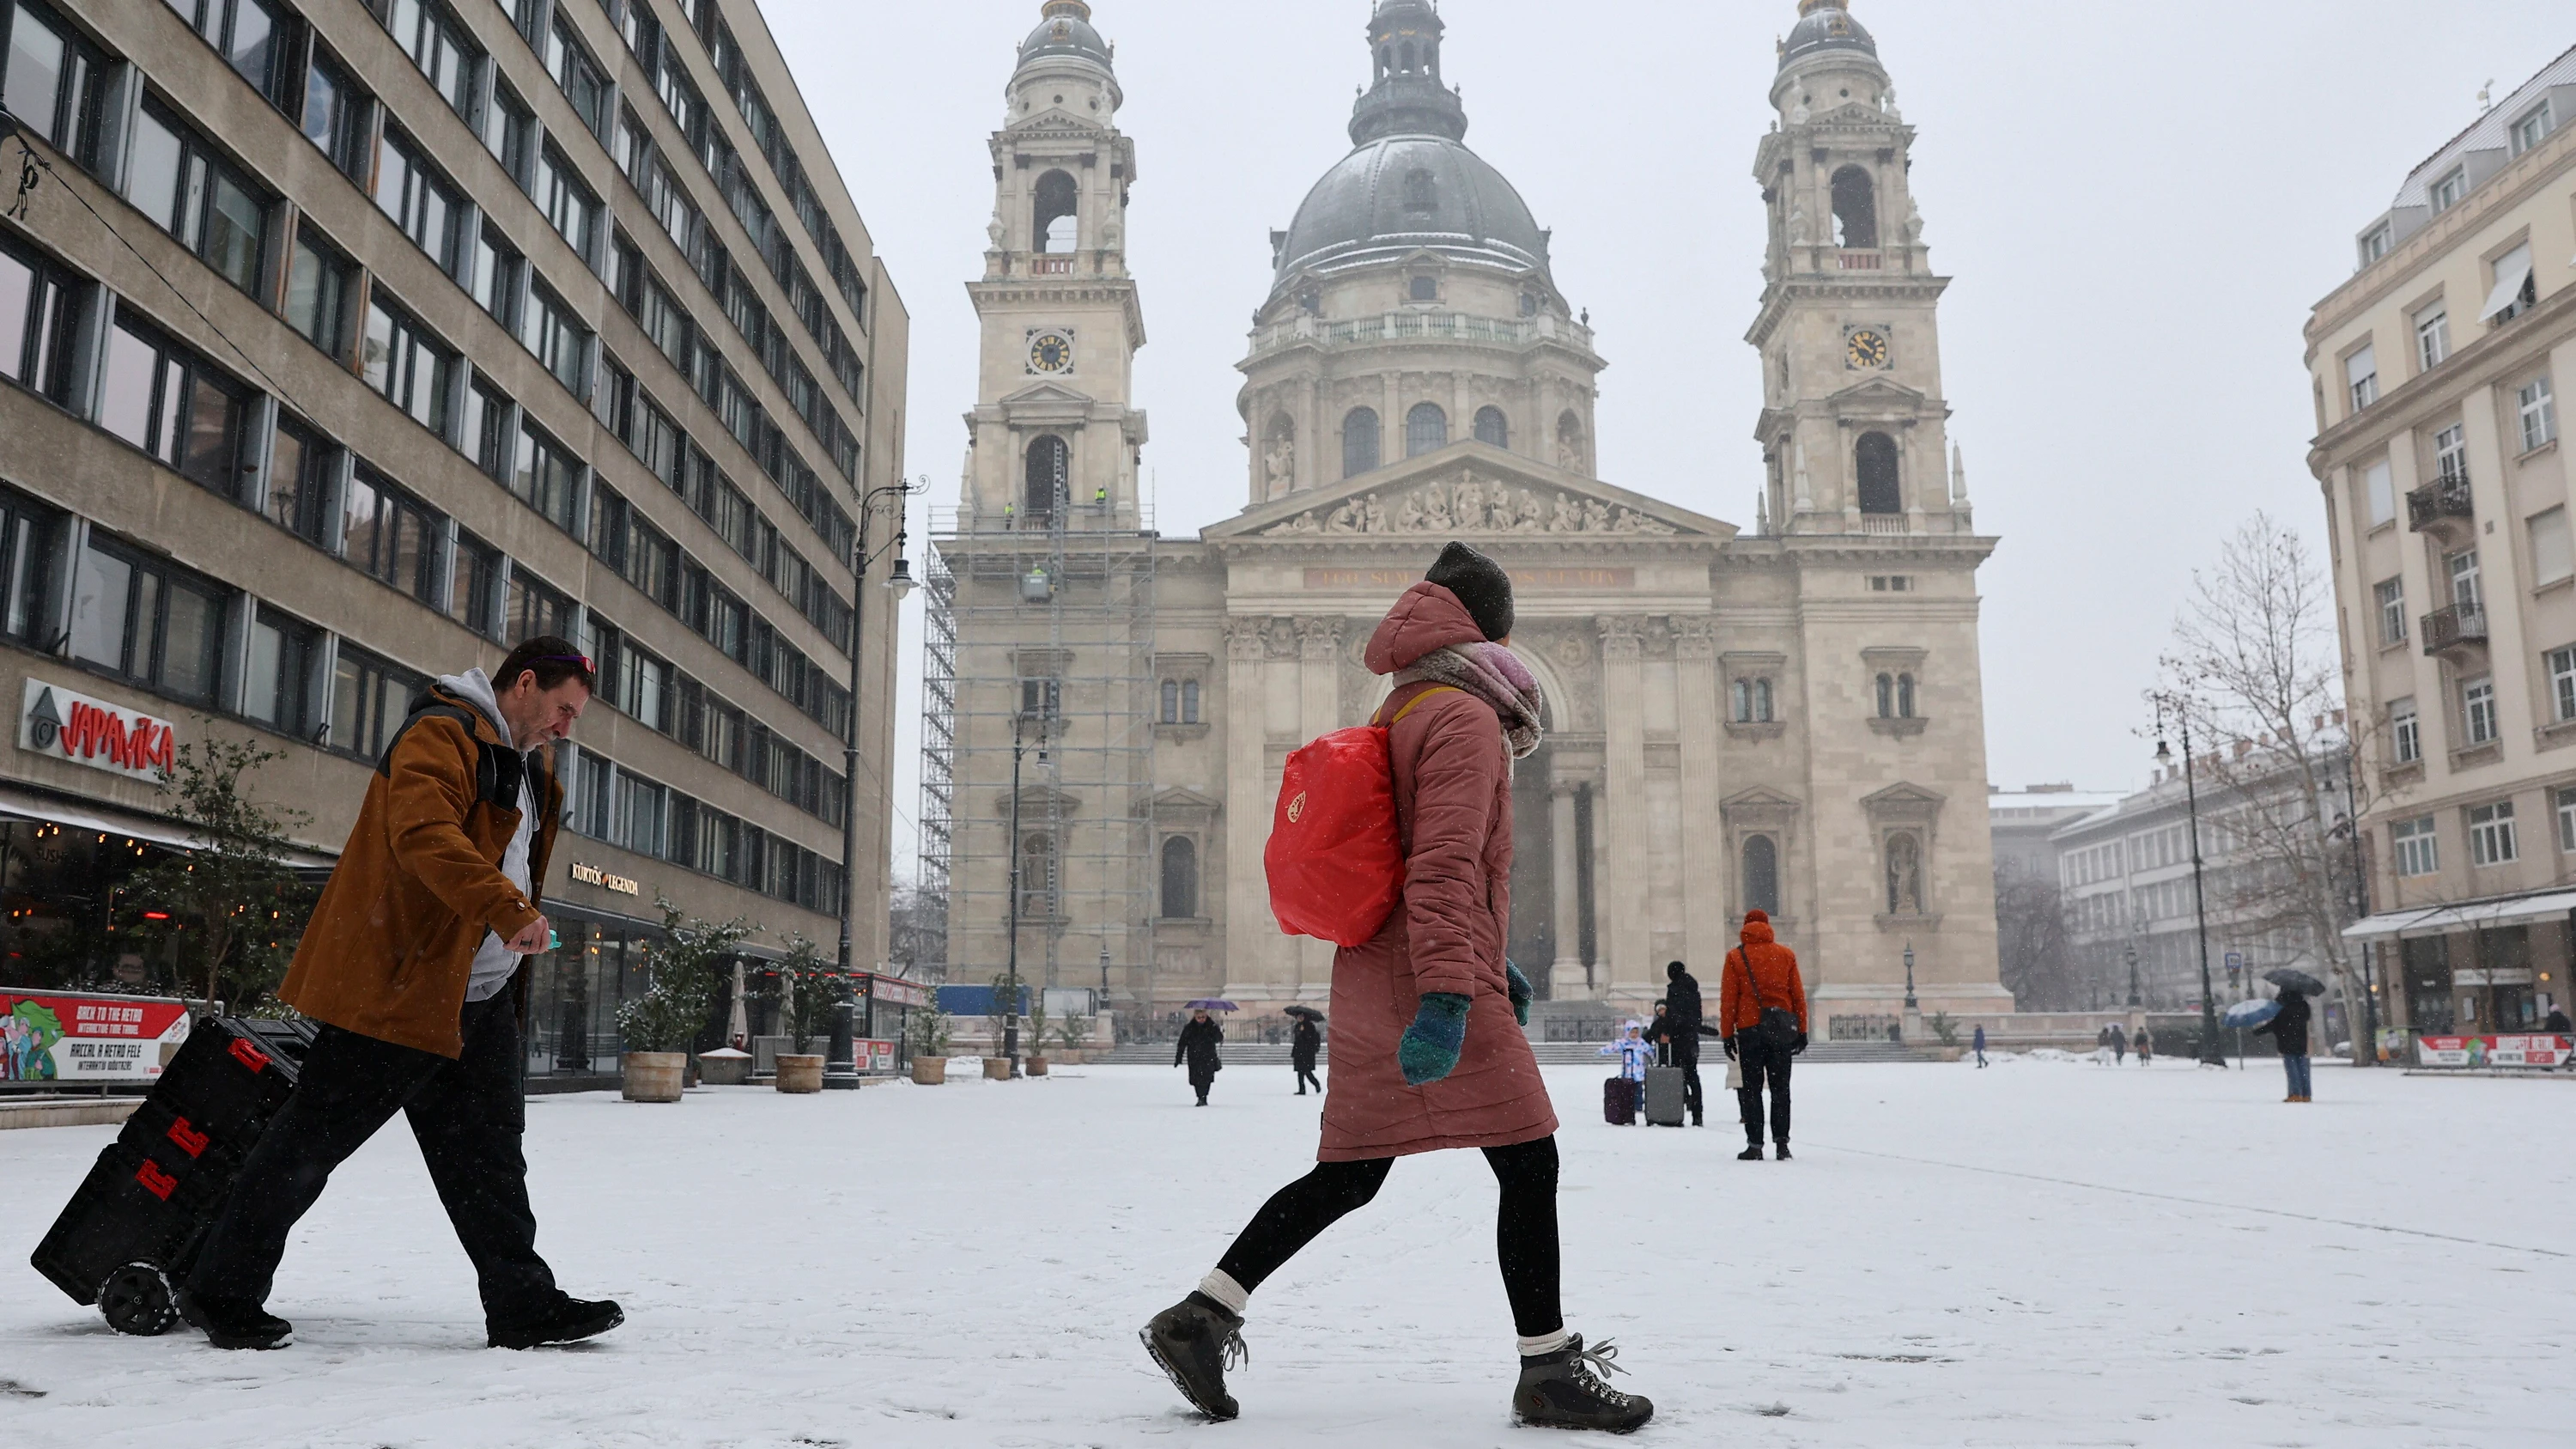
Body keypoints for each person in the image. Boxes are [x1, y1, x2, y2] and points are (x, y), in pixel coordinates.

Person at [1141, 544, 1652, 1433]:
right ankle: (1549, 1370)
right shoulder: (1465, 718)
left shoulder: (1408, 702)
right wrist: (1458, 991)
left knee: (1350, 1174)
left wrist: (1492, 961)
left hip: (1382, 966)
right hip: (1428, 977)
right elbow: (1447, 863)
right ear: (1490, 632)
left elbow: (1425, 859)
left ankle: (1201, 1315)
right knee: (1529, 1159)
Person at [180, 640, 621, 1353]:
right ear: (526, 683)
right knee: (308, 1144)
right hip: (403, 989)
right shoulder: (441, 734)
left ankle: (522, 1303)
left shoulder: (530, 767)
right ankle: (220, 1289)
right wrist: (508, 910)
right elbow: (423, 835)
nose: (567, 728)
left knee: (490, 1158)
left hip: (477, 997)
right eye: (563, 709)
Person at [1721, 909, 1807, 1161]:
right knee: (1781, 1089)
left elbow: (1729, 1000)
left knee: (1752, 1089)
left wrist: (1727, 1034)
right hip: (1780, 1029)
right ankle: (1782, 1144)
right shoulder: (1785, 955)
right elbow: (1798, 996)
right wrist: (1801, 1029)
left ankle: (1755, 1145)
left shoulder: (1736, 957)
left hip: (1750, 1030)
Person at [1658, 961, 1721, 1125]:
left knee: (1678, 1074)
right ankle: (1697, 1114)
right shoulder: (1694, 990)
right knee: (1693, 1075)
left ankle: (1677, 1111)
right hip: (1691, 1038)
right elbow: (1695, 1017)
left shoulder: (1674, 990)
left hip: (1679, 1038)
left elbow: (1673, 1016)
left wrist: (1668, 1033)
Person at [2253, 989, 2312, 1102]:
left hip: (2287, 1042)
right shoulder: (2303, 1005)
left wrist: (2258, 1031)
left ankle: (2295, 1094)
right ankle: (2306, 1094)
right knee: (2303, 1069)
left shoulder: (2283, 1007)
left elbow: (2274, 1024)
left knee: (2292, 1069)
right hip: (2301, 1041)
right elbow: (2306, 1018)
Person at [1599, 1021, 1655, 1123]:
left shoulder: (1641, 1043)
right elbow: (1613, 1047)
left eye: (1636, 1033)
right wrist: (1602, 1051)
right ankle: (1628, 1106)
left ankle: (1638, 1105)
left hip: (1638, 1073)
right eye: (1632, 1032)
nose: (1634, 1035)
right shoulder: (1623, 1043)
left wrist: (1655, 1056)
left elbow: (1650, 1051)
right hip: (1627, 1073)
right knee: (1627, 1092)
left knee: (1638, 1091)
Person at [1176, 1008, 1224, 1105]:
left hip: (1208, 1055)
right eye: (1199, 1017)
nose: (1201, 1019)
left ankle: (1204, 1096)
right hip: (1195, 1057)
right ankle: (1200, 1096)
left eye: (1203, 1017)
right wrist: (1178, 1057)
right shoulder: (1189, 1028)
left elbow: (1219, 1038)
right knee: (1196, 1078)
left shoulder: (1211, 1026)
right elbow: (1182, 1043)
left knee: (1207, 1077)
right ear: (1195, 1017)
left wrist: (1217, 1030)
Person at [1291, 1014, 1323, 1096]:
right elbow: (1297, 1038)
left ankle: (1316, 1084)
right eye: (1298, 1017)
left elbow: (1310, 1038)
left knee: (1307, 1072)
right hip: (1299, 1052)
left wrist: (1304, 1032)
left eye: (1301, 1017)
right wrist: (1299, 1031)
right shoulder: (1298, 1026)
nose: (1299, 1018)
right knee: (1300, 1073)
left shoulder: (1310, 1026)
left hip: (1307, 1053)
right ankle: (1302, 1090)